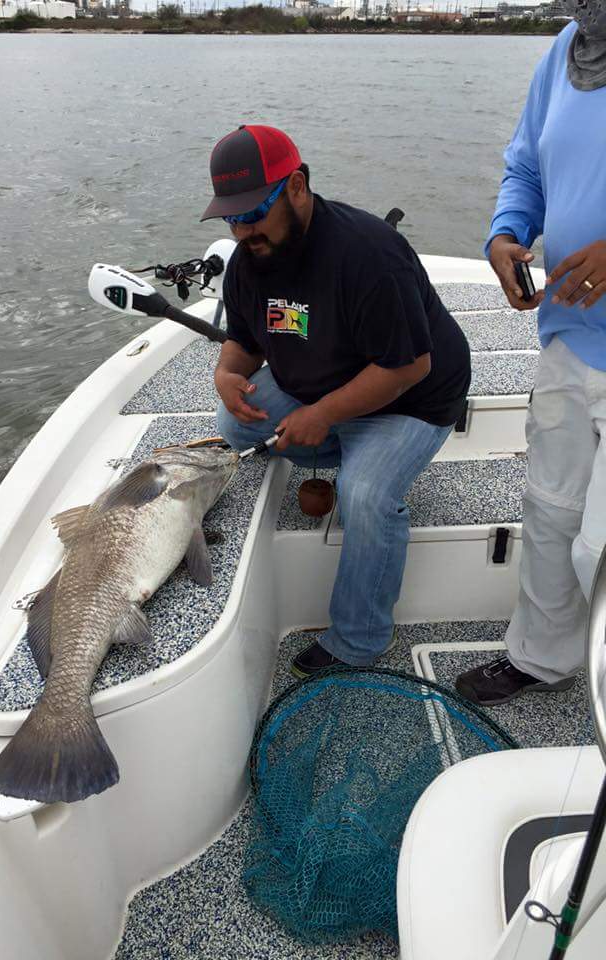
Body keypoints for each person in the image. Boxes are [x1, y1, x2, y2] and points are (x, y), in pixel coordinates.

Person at [201, 124, 471, 678]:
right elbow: (245, 344)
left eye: (255, 211)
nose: (243, 229)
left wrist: (321, 415)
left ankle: (358, 640)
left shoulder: (368, 254)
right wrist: (226, 373)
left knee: (366, 494)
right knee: (234, 421)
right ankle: (342, 450)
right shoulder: (248, 260)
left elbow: (408, 365)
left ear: (296, 186)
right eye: (231, 216)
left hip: (411, 398)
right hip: (320, 385)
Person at [456, 5, 606, 706]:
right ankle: (541, 658)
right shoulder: (568, 50)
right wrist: (506, 234)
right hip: (570, 334)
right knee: (551, 510)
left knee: (596, 548)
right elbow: (526, 165)